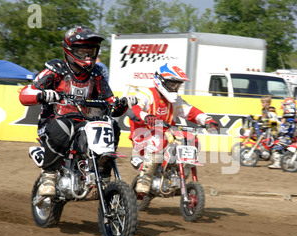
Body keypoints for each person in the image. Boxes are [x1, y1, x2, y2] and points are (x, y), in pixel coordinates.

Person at [19, 26, 129, 197]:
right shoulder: (56, 69)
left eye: (90, 52)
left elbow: (110, 101)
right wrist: (43, 94)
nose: (87, 56)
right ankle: (48, 176)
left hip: (86, 122)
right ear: (69, 50)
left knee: (112, 126)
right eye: (81, 51)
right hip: (55, 120)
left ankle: (103, 174)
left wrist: (121, 104)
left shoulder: (97, 73)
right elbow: (25, 94)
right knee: (63, 126)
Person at [127, 62, 219, 195]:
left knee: (192, 139)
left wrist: (208, 120)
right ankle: (145, 178)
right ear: (160, 81)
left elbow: (190, 111)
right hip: (143, 137)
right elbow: (134, 108)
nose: (174, 87)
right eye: (171, 84)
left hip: (166, 136)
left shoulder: (175, 100)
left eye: (177, 84)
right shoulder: (146, 94)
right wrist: (146, 116)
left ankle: (182, 173)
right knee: (157, 139)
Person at [268, 98, 297, 169]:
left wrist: (282, 123)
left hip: (287, 138)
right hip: (287, 138)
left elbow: (284, 130)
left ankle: (278, 163)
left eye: (285, 106)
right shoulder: (292, 120)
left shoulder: (290, 121)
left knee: (275, 148)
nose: (283, 108)